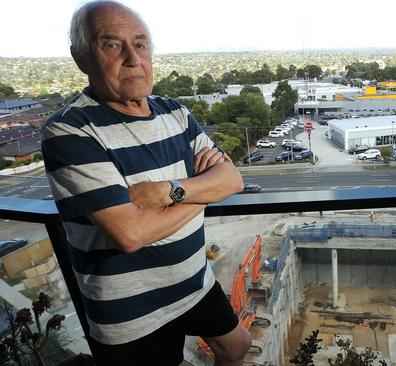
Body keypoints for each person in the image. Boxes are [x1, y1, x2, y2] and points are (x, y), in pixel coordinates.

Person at [41, 1, 250, 365]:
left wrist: (167, 192)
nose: (132, 58)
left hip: (194, 282)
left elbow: (232, 179)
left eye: (140, 44)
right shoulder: (70, 130)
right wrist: (204, 190)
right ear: (81, 57)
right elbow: (131, 234)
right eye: (112, 45)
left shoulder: (175, 112)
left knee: (237, 346)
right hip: (132, 314)